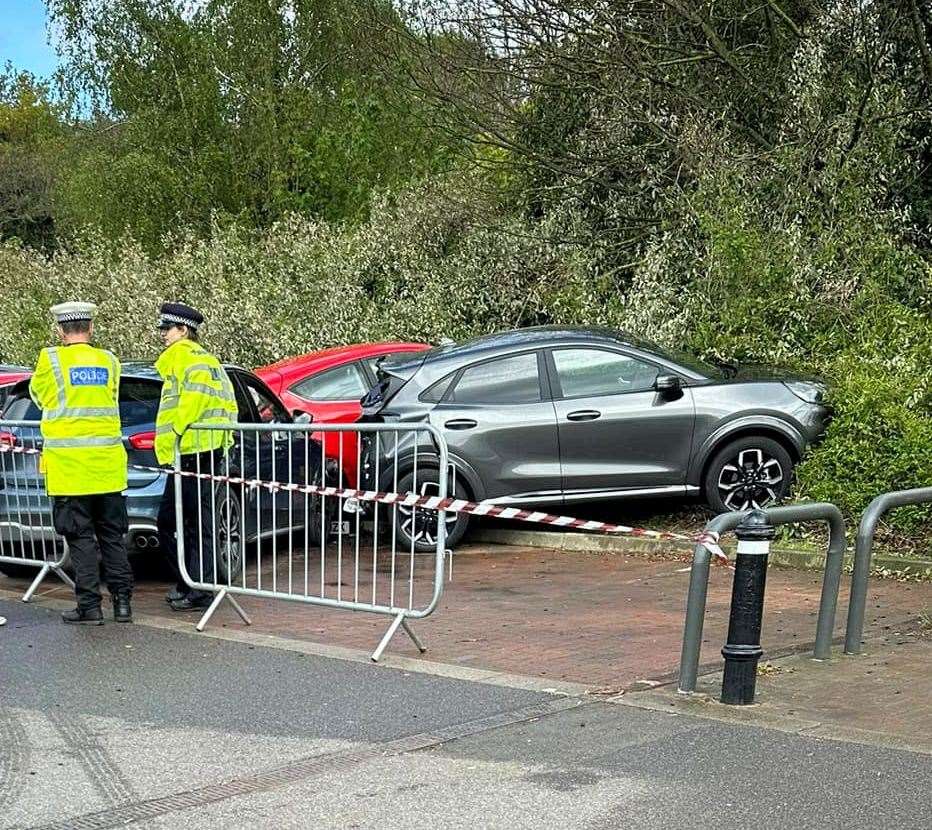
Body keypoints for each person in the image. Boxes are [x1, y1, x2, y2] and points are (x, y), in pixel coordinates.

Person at [29, 302, 133, 625]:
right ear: (90, 329)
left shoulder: (52, 359)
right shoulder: (109, 361)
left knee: (81, 540)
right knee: (112, 537)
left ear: (61, 331)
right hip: (108, 468)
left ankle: (90, 607)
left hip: (71, 471)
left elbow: (38, 396)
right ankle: (123, 604)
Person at [154, 302, 238, 611]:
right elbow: (228, 404)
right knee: (181, 521)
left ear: (184, 331)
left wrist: (173, 435)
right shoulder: (209, 361)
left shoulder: (187, 358)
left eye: (168, 329)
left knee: (188, 522)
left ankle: (199, 588)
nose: (163, 335)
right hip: (200, 450)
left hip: (192, 450)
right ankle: (191, 582)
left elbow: (190, 405)